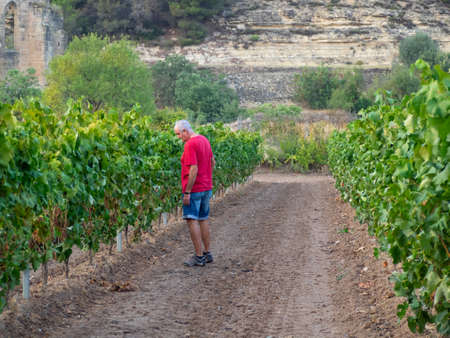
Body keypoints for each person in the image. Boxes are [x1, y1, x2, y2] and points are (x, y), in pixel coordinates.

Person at [174, 120, 215, 267]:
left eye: (179, 134)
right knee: (203, 219)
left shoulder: (190, 144)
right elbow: (212, 162)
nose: (179, 137)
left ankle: (198, 257)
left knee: (192, 220)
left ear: (185, 131)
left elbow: (193, 169)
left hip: (195, 189)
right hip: (206, 187)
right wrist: (207, 178)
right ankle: (207, 253)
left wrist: (187, 192)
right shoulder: (204, 139)